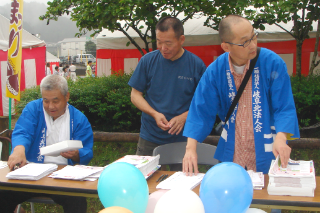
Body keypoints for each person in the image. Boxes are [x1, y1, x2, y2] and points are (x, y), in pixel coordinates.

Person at [182, 15, 300, 175]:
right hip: (232, 150)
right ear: (226, 46)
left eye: (253, 36)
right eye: (245, 42)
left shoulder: (272, 63)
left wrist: (281, 137)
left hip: (267, 150)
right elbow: (200, 111)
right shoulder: (215, 70)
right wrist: (190, 149)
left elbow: (284, 107)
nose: (252, 45)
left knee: (264, 197)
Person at [1, 75, 94, 213]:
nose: (50, 106)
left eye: (55, 101)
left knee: (77, 200)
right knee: (3, 196)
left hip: (63, 178)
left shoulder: (79, 119)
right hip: (29, 176)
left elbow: (87, 151)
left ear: (66, 96)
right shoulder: (33, 109)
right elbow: (23, 132)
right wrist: (19, 150)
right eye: (46, 101)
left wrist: (76, 155)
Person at [128, 16, 206, 158]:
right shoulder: (148, 61)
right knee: (145, 178)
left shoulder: (196, 65)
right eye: (159, 42)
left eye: (168, 43)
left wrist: (184, 117)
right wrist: (154, 114)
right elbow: (135, 95)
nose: (163, 48)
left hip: (183, 139)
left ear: (181, 40)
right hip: (149, 137)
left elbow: (205, 102)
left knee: (182, 179)